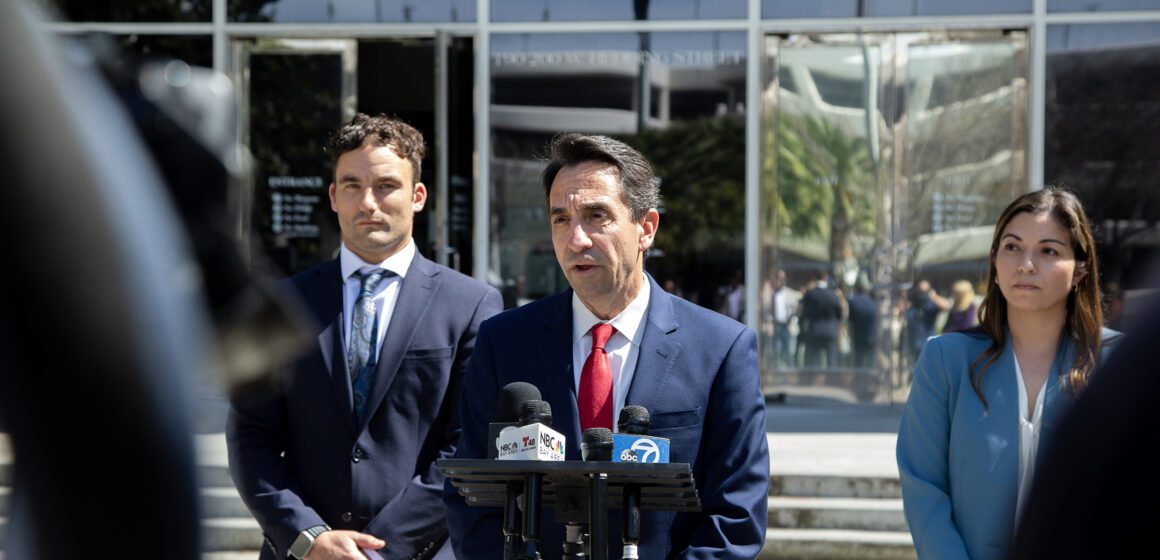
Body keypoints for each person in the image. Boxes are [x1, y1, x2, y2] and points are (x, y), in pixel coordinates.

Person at [444, 133, 770, 558]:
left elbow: (736, 516)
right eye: (561, 219)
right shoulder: (503, 342)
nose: (576, 239)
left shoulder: (722, 349)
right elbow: (471, 499)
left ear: (646, 228)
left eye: (597, 216)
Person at [227, 114, 503, 560]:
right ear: (334, 197)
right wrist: (310, 536)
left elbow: (469, 446)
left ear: (418, 197)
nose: (368, 203)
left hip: (423, 552)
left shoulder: (472, 304)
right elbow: (250, 437)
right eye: (352, 185)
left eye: (386, 186)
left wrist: (382, 549)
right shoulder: (278, 304)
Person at [896, 187, 1116, 559]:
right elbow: (923, 489)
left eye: (1048, 250)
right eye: (1012, 247)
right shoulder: (945, 359)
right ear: (995, 260)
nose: (1026, 264)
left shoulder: (1114, 365)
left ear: (1079, 270)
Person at [799, 269, 843, 369]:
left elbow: (804, 312)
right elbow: (839, 313)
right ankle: (831, 382)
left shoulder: (810, 294)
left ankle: (813, 382)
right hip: (831, 330)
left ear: (815, 278)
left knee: (813, 362)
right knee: (831, 362)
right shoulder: (833, 295)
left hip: (814, 329)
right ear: (826, 278)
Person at [846, 280, 878, 370]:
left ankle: (860, 379)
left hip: (858, 335)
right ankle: (871, 378)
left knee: (859, 361)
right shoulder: (874, 302)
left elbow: (851, 319)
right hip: (872, 335)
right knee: (872, 361)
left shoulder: (853, 301)